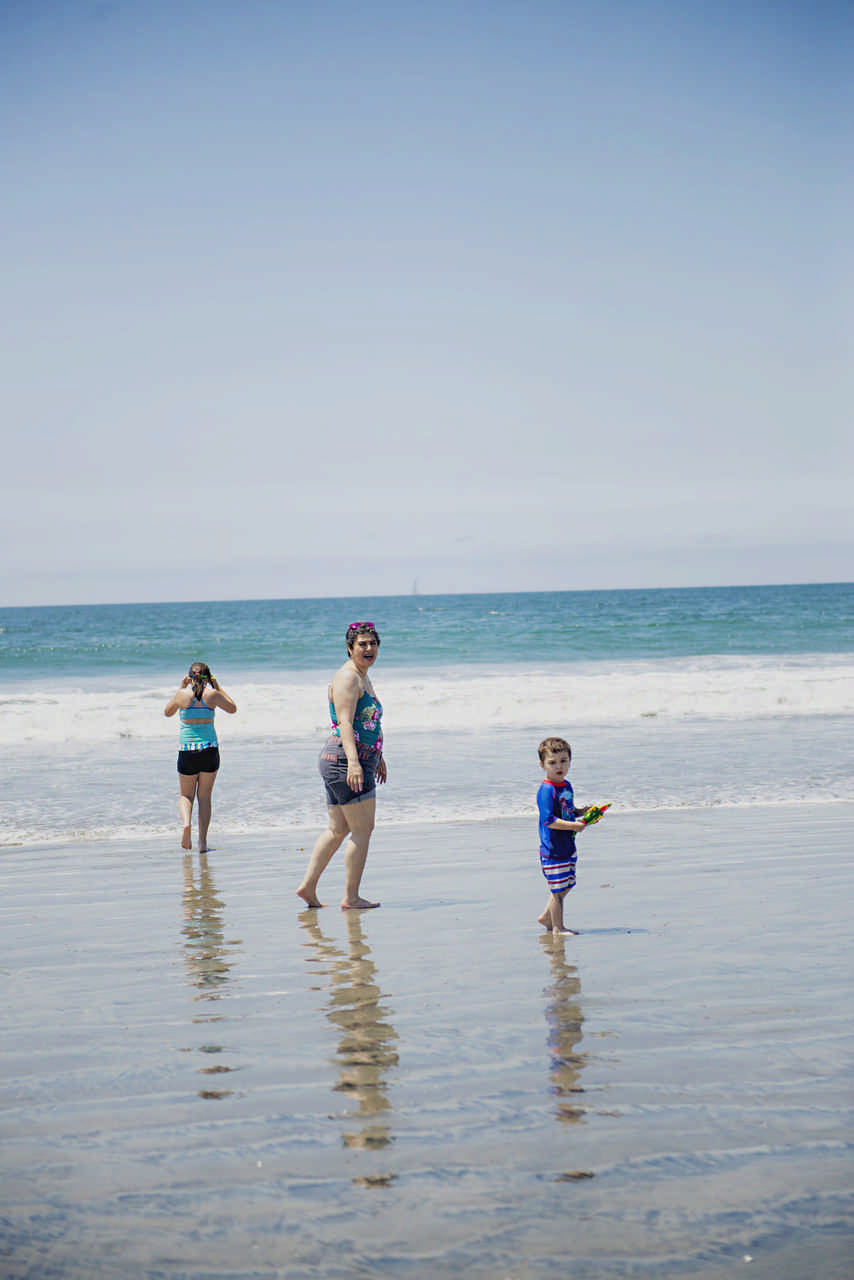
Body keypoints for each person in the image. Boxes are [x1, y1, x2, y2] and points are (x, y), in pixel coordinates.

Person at [297, 622, 387, 910]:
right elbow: (345, 723)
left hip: (346, 758)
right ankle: (351, 897)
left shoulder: (362, 676)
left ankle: (308, 887)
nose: (369, 648)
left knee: (337, 829)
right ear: (350, 648)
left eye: (372, 643)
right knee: (363, 829)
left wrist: (378, 754)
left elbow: (367, 722)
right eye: (362, 644)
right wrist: (354, 763)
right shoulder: (348, 677)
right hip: (346, 759)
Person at [164, 662, 237, 853]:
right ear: (208, 677)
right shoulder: (212, 695)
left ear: (189, 676)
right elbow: (232, 708)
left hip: (187, 751)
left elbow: (168, 712)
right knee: (204, 797)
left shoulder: (182, 695)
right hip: (209, 751)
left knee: (186, 795)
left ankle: (186, 824)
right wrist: (217, 686)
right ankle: (202, 842)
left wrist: (181, 688)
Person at [536, 736, 588, 935]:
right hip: (553, 848)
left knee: (567, 884)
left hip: (567, 845)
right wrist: (574, 827)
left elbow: (566, 810)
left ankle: (546, 917)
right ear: (543, 765)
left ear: (570, 761)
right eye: (552, 762)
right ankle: (557, 928)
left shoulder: (566, 786)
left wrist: (582, 812)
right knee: (557, 892)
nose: (559, 766)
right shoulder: (546, 790)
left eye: (563, 761)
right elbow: (549, 820)